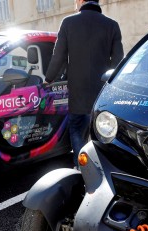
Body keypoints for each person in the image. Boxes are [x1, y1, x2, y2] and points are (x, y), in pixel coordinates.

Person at [44, 0, 124, 167]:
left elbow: (58, 56)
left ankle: (81, 169)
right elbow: (118, 63)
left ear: (80, 1)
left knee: (77, 132)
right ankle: (101, 171)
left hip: (77, 96)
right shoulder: (112, 25)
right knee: (100, 136)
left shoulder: (68, 22)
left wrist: (48, 79)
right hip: (101, 96)